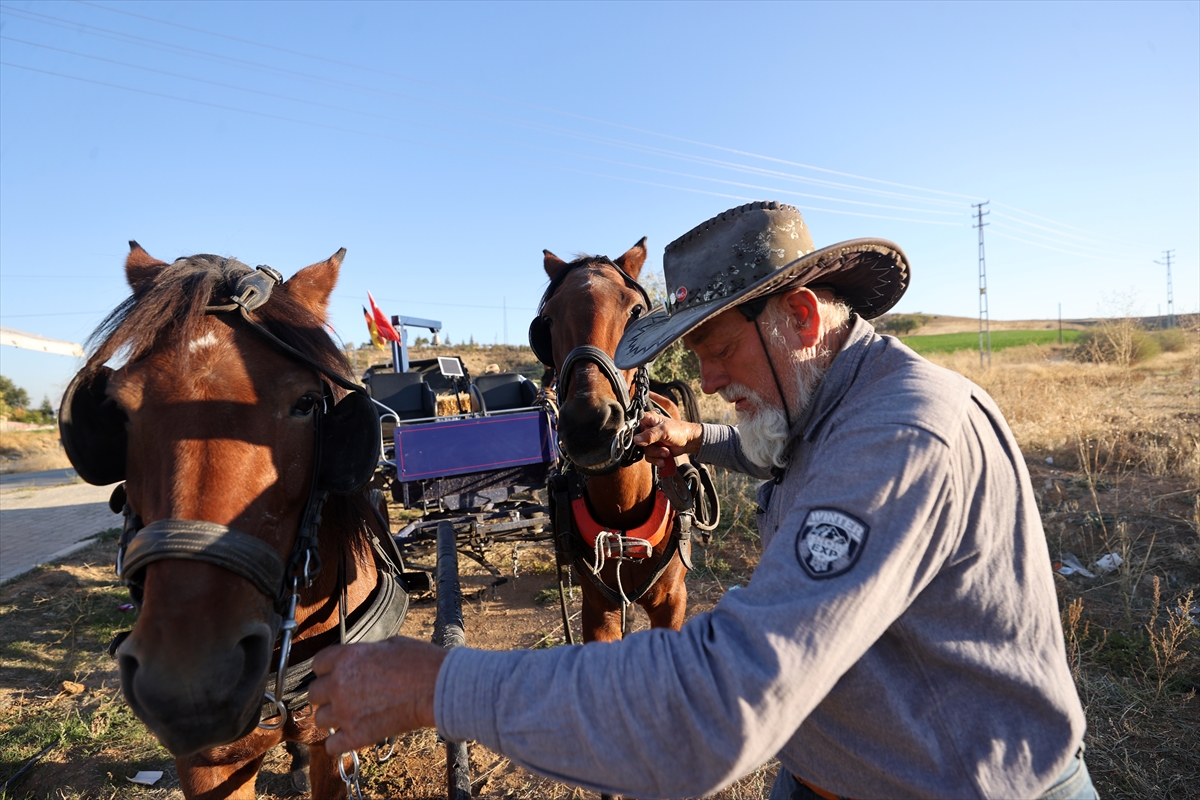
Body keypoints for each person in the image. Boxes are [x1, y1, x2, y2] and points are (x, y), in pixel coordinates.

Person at [310, 201, 1095, 799]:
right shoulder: (838, 400)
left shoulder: (905, 436)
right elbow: (796, 454)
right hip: (834, 769)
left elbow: (727, 700)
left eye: (716, 348)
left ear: (798, 316)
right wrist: (704, 441)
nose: (708, 381)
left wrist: (437, 686)